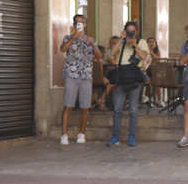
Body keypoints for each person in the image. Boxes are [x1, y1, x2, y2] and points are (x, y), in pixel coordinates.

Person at [59, 14, 101, 145]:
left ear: (86, 25)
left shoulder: (91, 39)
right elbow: (62, 49)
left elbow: (99, 56)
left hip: (86, 77)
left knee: (85, 107)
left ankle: (82, 134)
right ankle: (64, 135)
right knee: (68, 105)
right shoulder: (68, 37)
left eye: (82, 22)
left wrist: (93, 45)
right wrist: (73, 37)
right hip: (71, 75)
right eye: (77, 22)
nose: (80, 24)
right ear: (73, 25)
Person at [107, 21, 149, 147]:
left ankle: (132, 136)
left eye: (133, 31)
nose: (131, 33)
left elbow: (144, 56)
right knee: (117, 109)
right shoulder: (122, 41)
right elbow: (112, 54)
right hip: (121, 78)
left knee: (133, 110)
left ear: (136, 32)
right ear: (125, 31)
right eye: (128, 31)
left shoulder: (141, 42)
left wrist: (134, 44)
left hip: (134, 78)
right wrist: (121, 39)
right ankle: (115, 136)